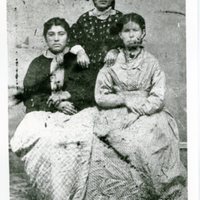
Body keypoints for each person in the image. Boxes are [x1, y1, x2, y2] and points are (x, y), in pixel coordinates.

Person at [94, 13, 187, 199]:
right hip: (117, 112)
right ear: (120, 35)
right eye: (126, 31)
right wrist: (124, 100)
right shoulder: (112, 62)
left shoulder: (151, 62)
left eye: (135, 30)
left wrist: (139, 112)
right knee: (110, 143)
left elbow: (158, 96)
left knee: (150, 139)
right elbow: (100, 96)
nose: (130, 35)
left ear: (143, 33)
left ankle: (153, 191)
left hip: (149, 112)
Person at [10, 17, 98, 200]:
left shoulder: (79, 60)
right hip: (45, 114)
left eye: (61, 34)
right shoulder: (37, 63)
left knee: (82, 138)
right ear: (45, 38)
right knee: (47, 140)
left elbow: (90, 90)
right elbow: (30, 95)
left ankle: (77, 192)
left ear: (68, 37)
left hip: (76, 112)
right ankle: (51, 192)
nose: (56, 39)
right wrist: (55, 103)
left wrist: (70, 99)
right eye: (51, 35)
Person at [69, 0, 123, 109]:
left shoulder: (120, 18)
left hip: (112, 73)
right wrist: (80, 52)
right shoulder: (84, 19)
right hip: (87, 73)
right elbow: (72, 38)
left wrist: (116, 50)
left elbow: (128, 41)